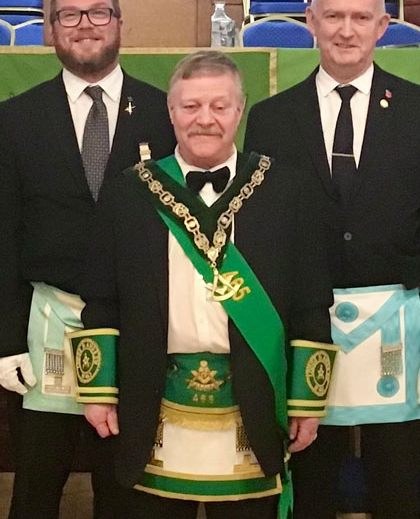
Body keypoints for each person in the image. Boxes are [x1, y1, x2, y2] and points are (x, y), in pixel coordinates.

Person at [71, 50, 337, 519]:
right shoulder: (128, 193)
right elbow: (101, 300)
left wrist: (307, 401)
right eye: (191, 106)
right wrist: (98, 394)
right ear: (171, 113)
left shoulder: (286, 192)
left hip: (254, 402)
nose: (205, 120)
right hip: (152, 403)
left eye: (219, 106)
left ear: (240, 110)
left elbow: (310, 303)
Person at [244, 0, 420, 519]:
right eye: (333, 15)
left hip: (398, 340)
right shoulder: (271, 118)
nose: (346, 29)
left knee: (396, 490)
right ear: (311, 21)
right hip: (305, 333)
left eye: (360, 17)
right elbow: (262, 241)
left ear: (383, 26)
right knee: (312, 488)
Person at [0, 0, 175, 519]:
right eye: (69, 15)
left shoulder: (164, 113)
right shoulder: (17, 118)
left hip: (135, 335)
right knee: (36, 491)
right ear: (49, 30)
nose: (84, 25)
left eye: (98, 13)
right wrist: (2, 341)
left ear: (120, 25)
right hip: (45, 339)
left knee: (126, 491)